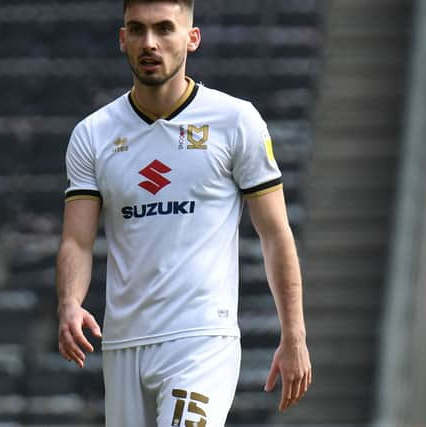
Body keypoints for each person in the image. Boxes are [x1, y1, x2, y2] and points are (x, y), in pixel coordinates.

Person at [55, 1, 312, 425]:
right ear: (123, 40)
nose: (150, 43)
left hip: (201, 339)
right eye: (137, 30)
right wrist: (69, 303)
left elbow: (275, 234)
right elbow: (77, 240)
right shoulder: (93, 134)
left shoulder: (234, 121)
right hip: (124, 344)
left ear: (192, 39)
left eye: (164, 29)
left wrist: (294, 333)